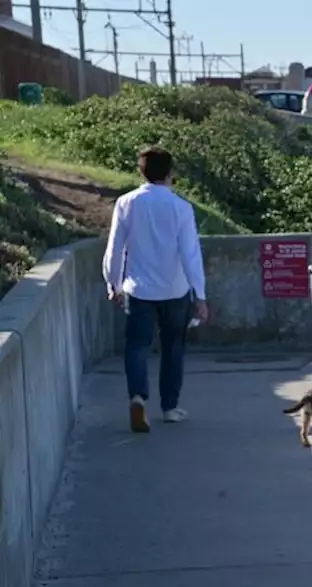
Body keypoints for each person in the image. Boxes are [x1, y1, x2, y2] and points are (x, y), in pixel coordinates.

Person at [103, 146, 209, 433]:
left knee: (137, 345)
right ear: (171, 173)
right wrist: (200, 295)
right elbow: (190, 254)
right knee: (173, 347)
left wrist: (113, 284)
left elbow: (115, 248)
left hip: (138, 290)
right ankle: (170, 407)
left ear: (141, 171)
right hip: (175, 290)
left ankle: (138, 396)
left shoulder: (127, 203)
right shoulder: (181, 208)